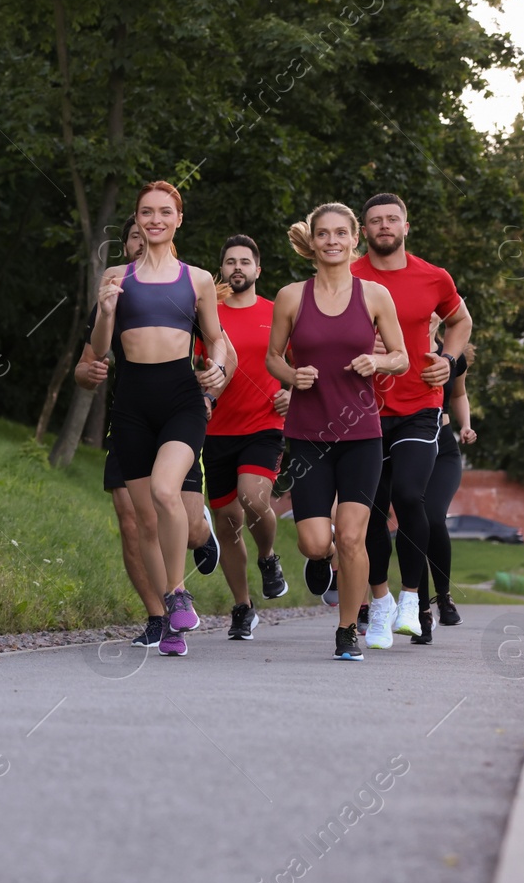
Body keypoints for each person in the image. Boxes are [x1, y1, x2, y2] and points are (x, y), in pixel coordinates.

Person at [75, 217, 231, 649]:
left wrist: (213, 386)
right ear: (126, 244)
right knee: (136, 519)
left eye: (152, 231)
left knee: (177, 513)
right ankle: (161, 617)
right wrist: (88, 373)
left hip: (180, 411)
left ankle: (202, 537)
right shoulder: (115, 292)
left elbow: (224, 351)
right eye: (135, 235)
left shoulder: (187, 289)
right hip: (130, 414)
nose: (144, 239)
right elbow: (86, 365)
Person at [266, 203, 407, 661]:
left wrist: (378, 361)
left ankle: (348, 628)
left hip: (361, 435)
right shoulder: (290, 296)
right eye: (323, 234)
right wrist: (291, 376)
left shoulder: (374, 295)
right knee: (314, 541)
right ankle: (323, 565)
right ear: (313, 241)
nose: (332, 241)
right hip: (308, 434)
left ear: (354, 241)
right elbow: (272, 358)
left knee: (351, 536)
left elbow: (403, 357)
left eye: (340, 233)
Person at [351, 193, 472, 647]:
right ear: (365, 231)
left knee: (409, 494)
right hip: (363, 410)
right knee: (374, 510)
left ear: (406, 226)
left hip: (421, 404)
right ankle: (380, 605)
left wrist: (448, 357)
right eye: (375, 222)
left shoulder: (433, 277)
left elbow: (460, 321)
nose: (384, 227)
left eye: (392, 220)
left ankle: (413, 599)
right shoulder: (349, 275)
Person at [201, 235, 291, 640]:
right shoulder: (208, 316)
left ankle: (269, 558)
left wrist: (293, 392)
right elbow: (193, 363)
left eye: (245, 261)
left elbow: (304, 364)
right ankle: (243, 606)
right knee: (227, 522)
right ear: (222, 270)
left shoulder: (279, 313)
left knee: (254, 497)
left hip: (265, 424)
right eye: (230, 262)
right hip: (216, 428)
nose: (237, 267)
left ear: (258, 270)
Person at [424, 320, 476, 627]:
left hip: (443, 447)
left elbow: (458, 394)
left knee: (432, 517)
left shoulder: (452, 356)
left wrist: (466, 425)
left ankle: (443, 595)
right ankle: (418, 605)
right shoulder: (393, 353)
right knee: (412, 522)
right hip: (405, 445)